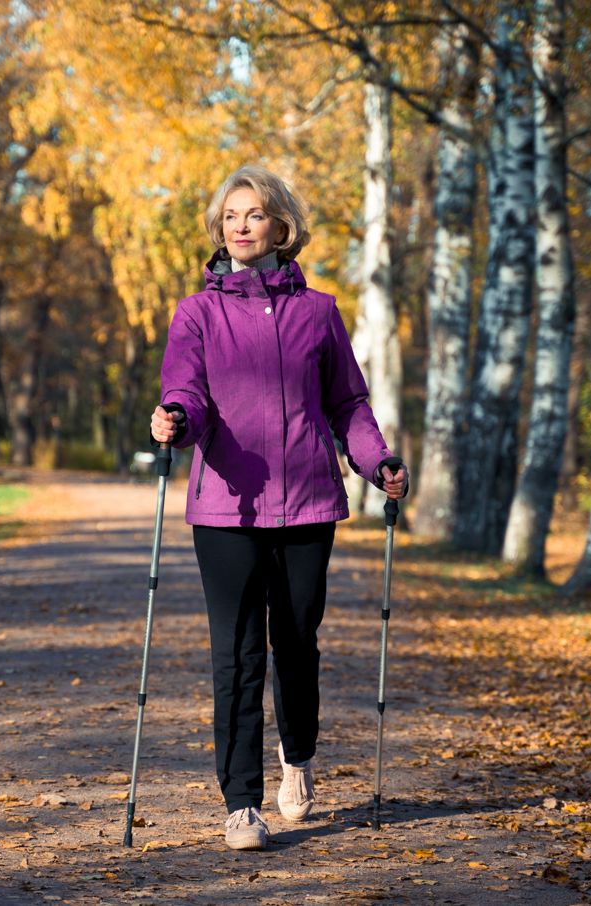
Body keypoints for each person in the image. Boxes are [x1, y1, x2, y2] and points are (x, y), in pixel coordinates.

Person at [149, 164, 408, 851]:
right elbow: (188, 390)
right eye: (230, 216)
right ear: (219, 228)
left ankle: (299, 756)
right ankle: (241, 803)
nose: (239, 226)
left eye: (253, 215)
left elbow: (347, 402)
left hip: (307, 507)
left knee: (295, 645)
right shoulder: (196, 312)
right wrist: (176, 415)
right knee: (235, 657)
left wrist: (375, 459)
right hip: (226, 508)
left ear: (280, 227)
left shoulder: (317, 312)